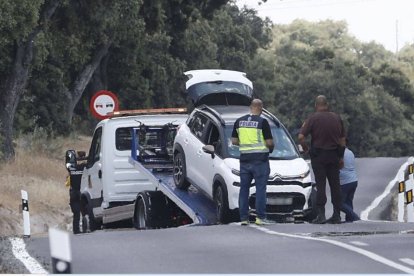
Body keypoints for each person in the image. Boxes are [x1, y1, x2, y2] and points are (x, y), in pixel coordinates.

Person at [298, 95, 346, 224]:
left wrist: (306, 149)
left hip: (318, 155)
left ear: (316, 105)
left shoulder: (313, 118)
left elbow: (301, 137)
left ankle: (321, 215)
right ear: (327, 104)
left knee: (321, 184)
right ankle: (337, 214)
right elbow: (342, 140)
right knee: (335, 185)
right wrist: (341, 156)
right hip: (334, 155)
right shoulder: (336, 118)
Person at [231, 99, 274, 225]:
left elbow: (233, 141)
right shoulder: (262, 122)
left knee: (244, 189)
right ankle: (260, 218)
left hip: (244, 160)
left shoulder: (239, 121)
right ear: (260, 108)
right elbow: (269, 142)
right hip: (260, 160)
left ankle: (244, 218)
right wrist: (270, 148)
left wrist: (245, 144)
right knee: (260, 189)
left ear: (251, 107)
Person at [65, 150, 86, 234]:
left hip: (74, 192)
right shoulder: (84, 167)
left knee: (76, 213)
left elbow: (67, 163)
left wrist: (72, 157)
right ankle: (85, 228)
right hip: (82, 192)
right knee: (85, 212)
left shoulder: (71, 168)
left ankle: (76, 230)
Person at [340, 144, 360, 222]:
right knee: (348, 201)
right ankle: (349, 219)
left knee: (339, 203)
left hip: (345, 181)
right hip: (354, 180)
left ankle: (355, 217)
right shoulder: (350, 152)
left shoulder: (340, 153)